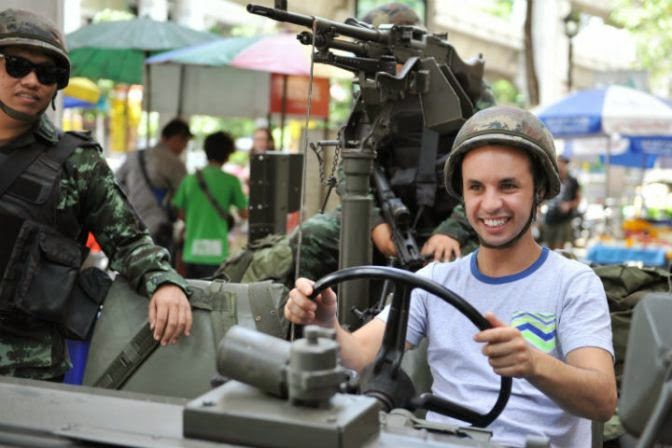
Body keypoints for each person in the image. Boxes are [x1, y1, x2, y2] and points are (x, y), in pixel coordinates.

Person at [285, 106, 617, 447]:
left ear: (541, 191)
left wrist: (534, 363)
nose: (490, 204)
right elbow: (358, 355)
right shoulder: (435, 280)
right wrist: (325, 323)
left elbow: (603, 400)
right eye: (476, 187)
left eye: (508, 186)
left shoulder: (572, 282)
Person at [0, 9, 192, 381]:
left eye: (48, 73)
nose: (32, 81)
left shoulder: (76, 163)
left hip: (24, 367)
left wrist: (164, 281)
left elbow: (130, 241)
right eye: (17, 65)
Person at [172, 131, 248, 278]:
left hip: (191, 251)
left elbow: (179, 210)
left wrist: (195, 221)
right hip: (217, 253)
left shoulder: (190, 179)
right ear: (228, 154)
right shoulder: (231, 181)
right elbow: (243, 214)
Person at [116, 117, 193, 254]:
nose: (184, 148)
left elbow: (117, 182)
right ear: (177, 139)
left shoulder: (134, 155)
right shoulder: (175, 163)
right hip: (158, 227)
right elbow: (186, 198)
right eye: (185, 143)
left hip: (130, 225)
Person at [542, 155, 581, 250]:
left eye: (563, 163)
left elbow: (578, 199)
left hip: (564, 218)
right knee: (549, 244)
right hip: (550, 216)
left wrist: (569, 205)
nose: (561, 166)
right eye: (559, 163)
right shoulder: (550, 179)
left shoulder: (573, 181)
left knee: (561, 246)